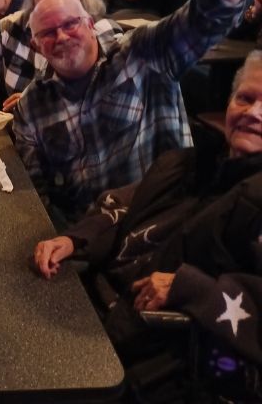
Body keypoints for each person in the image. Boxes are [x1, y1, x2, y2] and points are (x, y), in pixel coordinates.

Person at [34, 51, 262, 395]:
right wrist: (74, 239)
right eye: (245, 98)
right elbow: (124, 203)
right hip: (89, 301)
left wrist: (195, 290)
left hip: (141, 353)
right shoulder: (187, 162)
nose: (253, 113)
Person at [14, 0, 246, 226]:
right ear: (36, 46)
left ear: (90, 23)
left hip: (158, 231)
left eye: (71, 24)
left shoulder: (141, 53)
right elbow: (39, 199)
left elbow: (213, 13)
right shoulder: (31, 107)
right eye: (48, 33)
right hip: (84, 246)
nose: (62, 36)